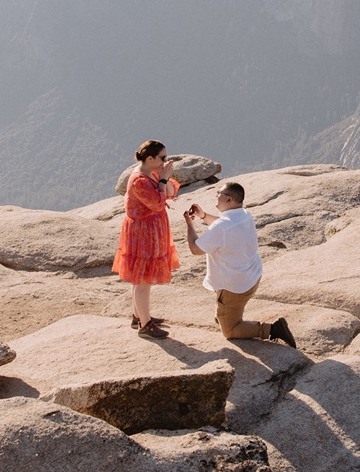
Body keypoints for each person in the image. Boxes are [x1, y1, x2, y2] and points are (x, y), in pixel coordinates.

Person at [184, 181, 295, 347]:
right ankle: (226, 314)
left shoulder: (222, 226)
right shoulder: (243, 214)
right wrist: (203, 216)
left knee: (230, 331)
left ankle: (273, 329)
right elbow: (222, 227)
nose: (216, 197)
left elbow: (195, 248)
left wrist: (189, 224)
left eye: (219, 194)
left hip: (234, 287)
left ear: (228, 199)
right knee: (225, 311)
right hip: (252, 275)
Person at [114, 139, 180, 338]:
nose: (165, 161)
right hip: (143, 233)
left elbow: (169, 193)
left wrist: (163, 178)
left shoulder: (150, 173)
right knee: (143, 279)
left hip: (149, 229)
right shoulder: (140, 180)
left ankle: (139, 316)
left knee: (141, 277)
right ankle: (145, 325)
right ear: (150, 158)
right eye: (162, 158)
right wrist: (162, 180)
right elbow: (158, 203)